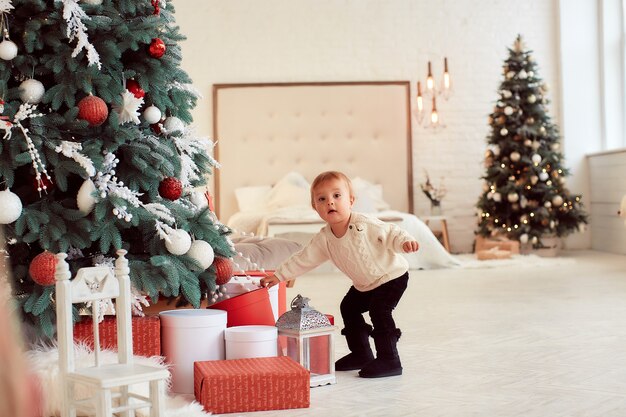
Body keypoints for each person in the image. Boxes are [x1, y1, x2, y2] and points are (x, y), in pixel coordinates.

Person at [260, 171, 419, 378]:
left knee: (379, 310)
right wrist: (279, 275)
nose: (330, 203)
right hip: (366, 284)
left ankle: (390, 359)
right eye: (322, 199)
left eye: (337, 196)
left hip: (392, 277)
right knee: (349, 307)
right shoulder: (324, 238)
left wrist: (404, 242)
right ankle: (361, 353)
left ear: (351, 200)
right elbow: (304, 258)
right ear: (314, 207)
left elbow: (391, 232)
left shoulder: (364, 224)